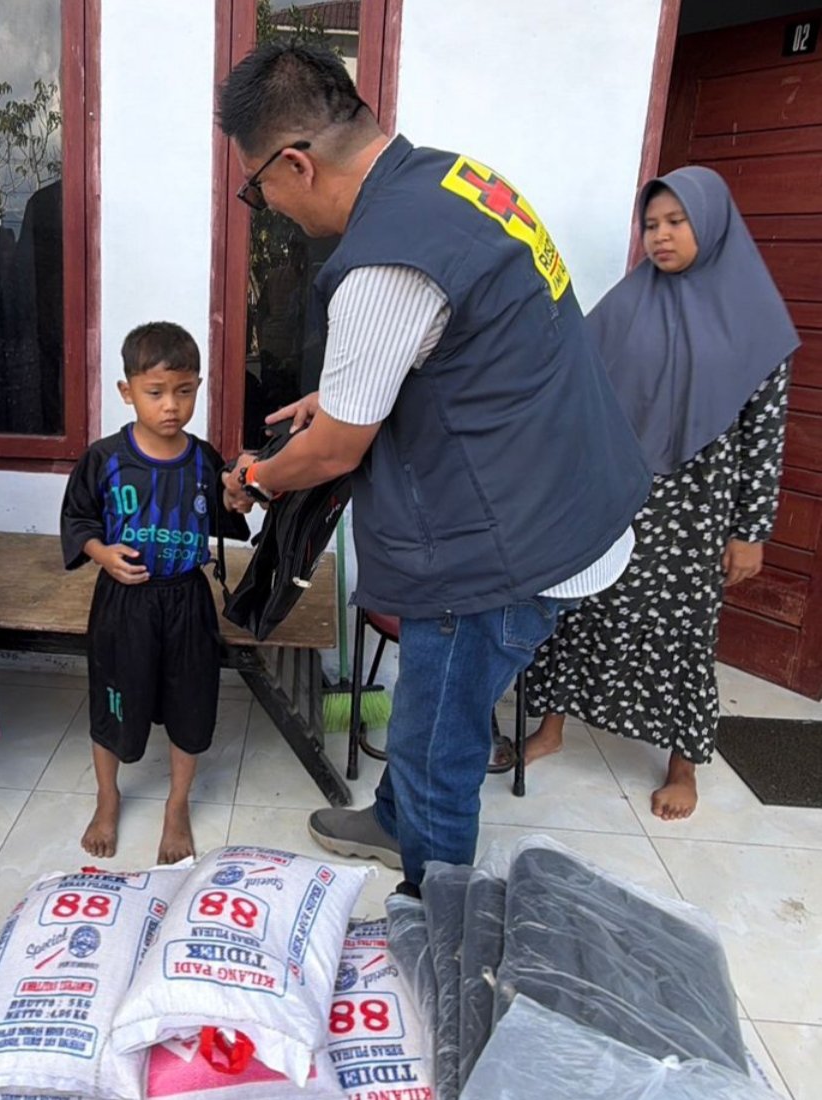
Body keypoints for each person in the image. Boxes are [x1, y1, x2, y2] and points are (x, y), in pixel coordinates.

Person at [216, 43, 652, 893]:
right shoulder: (457, 182)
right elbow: (467, 351)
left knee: (445, 742)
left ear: (296, 163)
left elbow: (339, 448)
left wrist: (260, 478)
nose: (262, 205)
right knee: (425, 705)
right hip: (559, 495)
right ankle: (390, 820)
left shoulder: (385, 258)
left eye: (255, 186)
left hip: (499, 548)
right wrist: (338, 398)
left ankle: (434, 908)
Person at [523, 167, 798, 820]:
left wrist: (750, 530)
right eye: (651, 225)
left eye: (677, 223)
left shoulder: (757, 321)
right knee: (581, 609)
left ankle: (684, 766)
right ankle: (552, 728)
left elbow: (765, 435)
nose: (660, 237)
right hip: (616, 492)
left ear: (712, 224)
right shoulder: (628, 303)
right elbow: (577, 387)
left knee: (683, 631)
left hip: (700, 509)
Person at [60, 322, 249, 864]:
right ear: (127, 392)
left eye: (185, 391)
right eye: (156, 392)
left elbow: (227, 512)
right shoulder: (105, 458)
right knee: (113, 699)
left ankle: (177, 805)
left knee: (192, 705)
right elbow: (77, 519)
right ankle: (107, 797)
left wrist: (238, 501)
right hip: (124, 605)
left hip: (187, 600)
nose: (172, 406)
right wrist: (100, 553)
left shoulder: (203, 459)